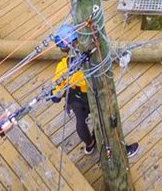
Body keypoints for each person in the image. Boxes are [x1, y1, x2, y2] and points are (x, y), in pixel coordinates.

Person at [50, 24, 140, 160]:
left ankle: (90, 144)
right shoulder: (92, 58)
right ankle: (122, 150)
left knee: (80, 121)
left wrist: (56, 93)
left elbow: (56, 94)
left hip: (75, 98)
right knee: (107, 120)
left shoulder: (63, 66)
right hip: (94, 94)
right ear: (76, 39)